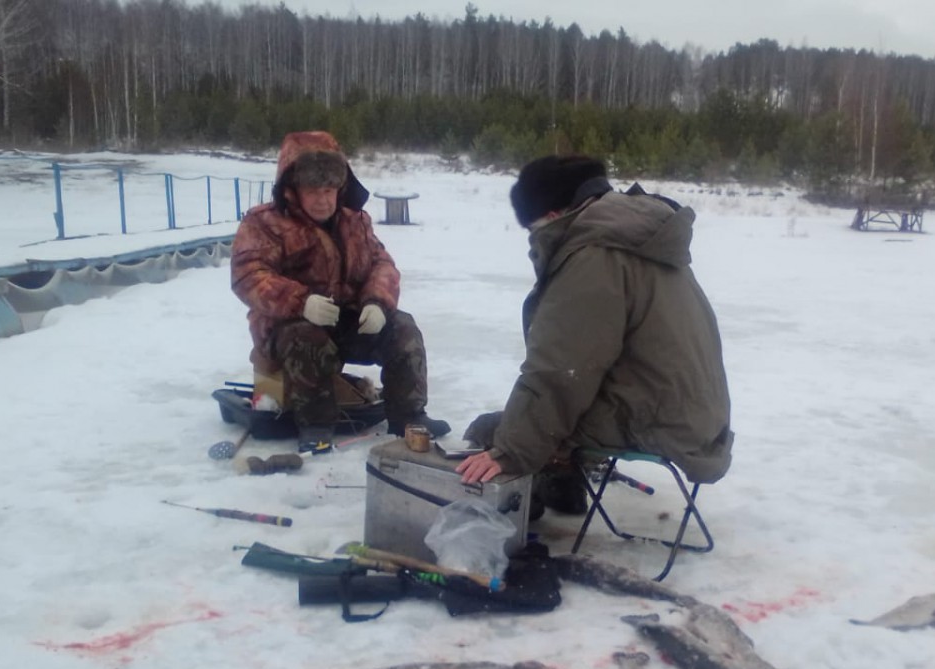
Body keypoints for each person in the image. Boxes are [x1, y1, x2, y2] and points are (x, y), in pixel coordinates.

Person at [456, 155, 733, 515]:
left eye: (532, 229)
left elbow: (560, 371)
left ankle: (523, 506)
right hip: (696, 415)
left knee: (493, 429)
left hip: (661, 421)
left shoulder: (594, 256)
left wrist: (510, 450)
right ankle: (561, 488)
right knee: (549, 415)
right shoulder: (637, 236)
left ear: (553, 216)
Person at [231, 131, 449, 453]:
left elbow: (381, 264)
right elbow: (248, 274)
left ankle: (408, 417)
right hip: (285, 330)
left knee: (402, 327)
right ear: (293, 188)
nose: (323, 199)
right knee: (306, 337)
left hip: (346, 321)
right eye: (313, 190)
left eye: (329, 189)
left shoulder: (356, 220)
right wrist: (301, 302)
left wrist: (377, 302)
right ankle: (316, 426)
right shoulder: (263, 222)